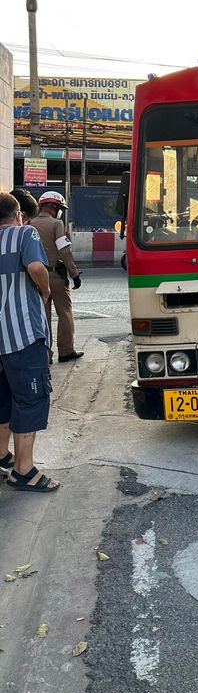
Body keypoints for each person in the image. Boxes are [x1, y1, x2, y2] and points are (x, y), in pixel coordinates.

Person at [0, 191, 59, 492]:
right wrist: (45, 291)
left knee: (3, 399)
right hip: (21, 335)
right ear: (18, 215)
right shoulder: (25, 233)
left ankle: (2, 456)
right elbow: (36, 267)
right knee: (30, 400)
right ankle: (23, 471)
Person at [29, 191, 84, 364]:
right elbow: (64, 252)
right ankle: (66, 351)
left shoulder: (29, 224)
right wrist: (74, 274)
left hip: (36, 278)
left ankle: (45, 355)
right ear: (55, 208)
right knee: (64, 313)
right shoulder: (56, 224)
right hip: (56, 276)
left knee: (42, 316)